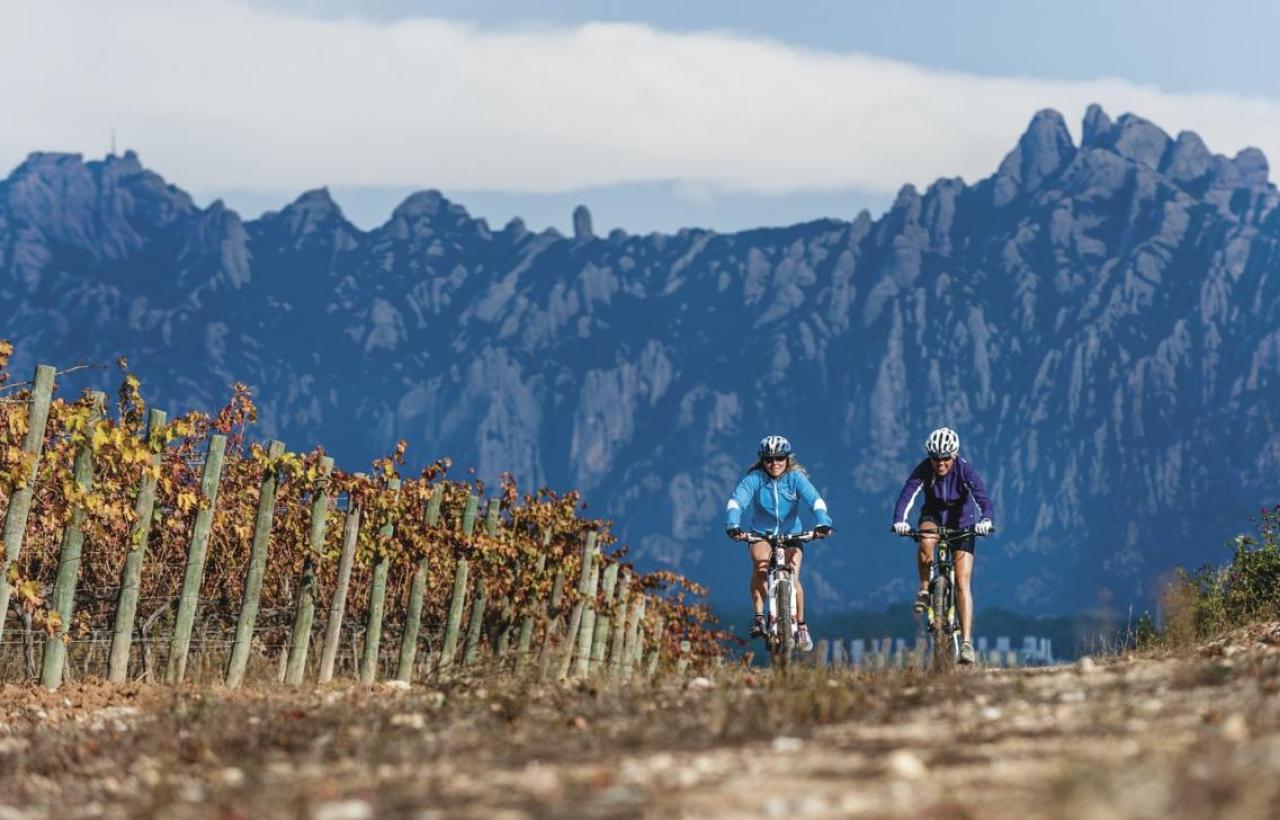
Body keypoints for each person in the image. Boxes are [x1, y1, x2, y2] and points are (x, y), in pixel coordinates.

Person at [891, 426, 994, 665]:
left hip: (963, 523)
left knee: (962, 581)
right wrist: (899, 521)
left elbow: (983, 499)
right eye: (936, 458)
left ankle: (967, 644)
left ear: (954, 456)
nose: (941, 463)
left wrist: (986, 520)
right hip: (933, 517)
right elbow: (907, 495)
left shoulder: (965, 470)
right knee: (926, 539)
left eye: (946, 458)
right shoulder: (924, 469)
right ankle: (925, 589)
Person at [725, 435, 833, 651]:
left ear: (787, 459)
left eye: (780, 458)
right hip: (761, 534)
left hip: (792, 534)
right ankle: (758, 616)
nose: (775, 463)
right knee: (760, 566)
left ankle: (801, 626)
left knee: (793, 574)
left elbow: (815, 500)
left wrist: (823, 522)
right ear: (762, 461)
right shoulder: (754, 480)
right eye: (769, 459)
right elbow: (737, 501)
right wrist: (733, 524)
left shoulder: (796, 479)